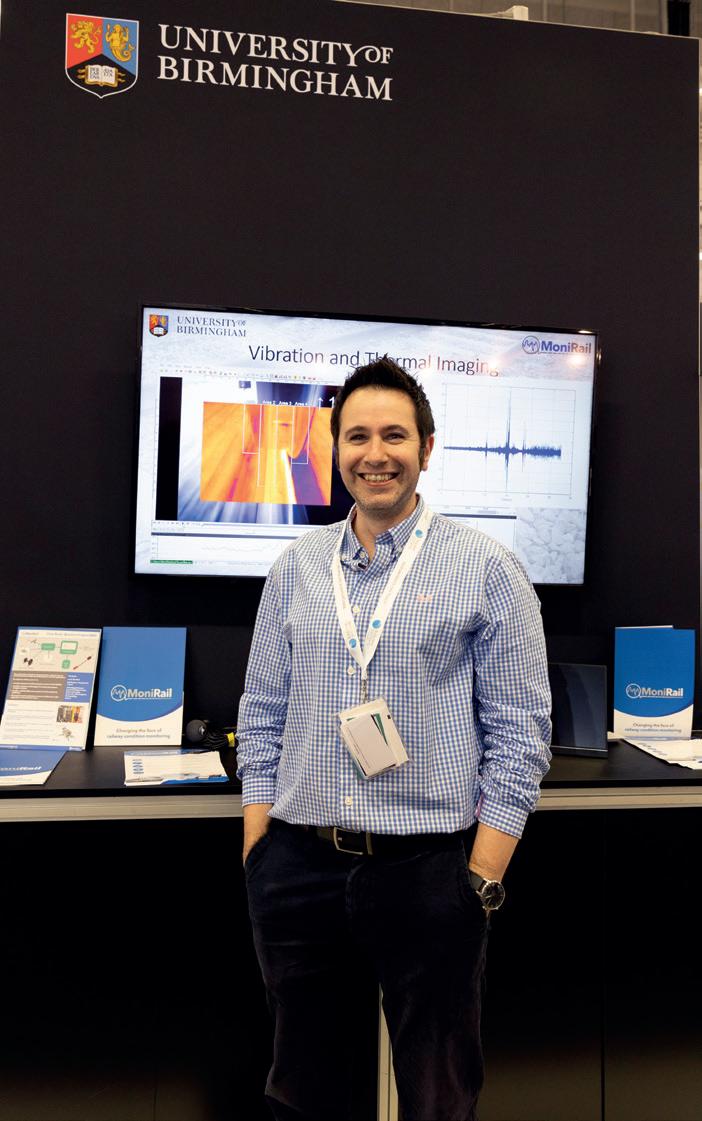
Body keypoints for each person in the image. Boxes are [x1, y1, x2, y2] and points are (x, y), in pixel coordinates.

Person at [236, 356, 551, 1121]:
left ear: (427, 447)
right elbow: (262, 713)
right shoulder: (295, 567)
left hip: (429, 873)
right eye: (357, 436)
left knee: (438, 1096)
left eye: (394, 435)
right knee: (303, 1092)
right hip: (301, 867)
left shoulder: (487, 568)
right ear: (334, 448)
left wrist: (479, 880)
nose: (375, 454)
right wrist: (259, 853)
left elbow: (521, 733)